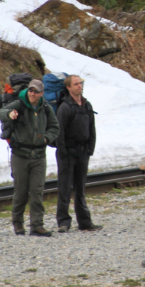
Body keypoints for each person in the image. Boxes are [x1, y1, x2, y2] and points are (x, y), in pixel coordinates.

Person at [0, 78, 60, 236]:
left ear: (41, 93)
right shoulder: (19, 103)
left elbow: (55, 126)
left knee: (37, 192)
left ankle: (37, 225)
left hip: (39, 156)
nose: (32, 93)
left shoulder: (45, 107)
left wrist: (46, 138)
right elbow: (0, 113)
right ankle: (18, 223)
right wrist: (10, 114)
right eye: (31, 90)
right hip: (20, 155)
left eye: (36, 91)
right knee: (21, 192)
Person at [55, 75, 101, 232]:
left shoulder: (86, 105)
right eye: (76, 84)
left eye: (80, 83)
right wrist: (62, 152)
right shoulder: (65, 107)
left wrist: (90, 149)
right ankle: (63, 222)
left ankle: (85, 222)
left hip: (82, 152)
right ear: (68, 87)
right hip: (68, 152)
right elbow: (59, 132)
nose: (79, 86)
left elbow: (91, 129)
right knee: (64, 188)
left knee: (80, 188)